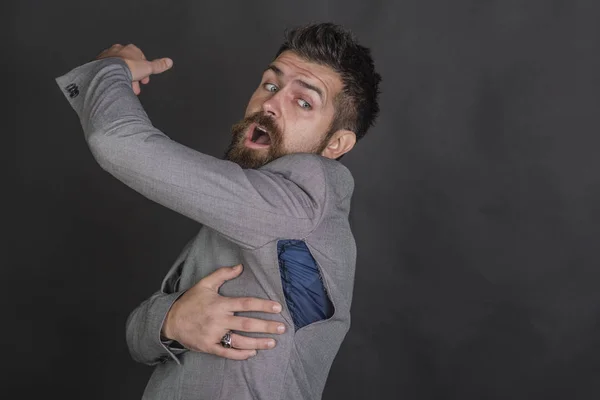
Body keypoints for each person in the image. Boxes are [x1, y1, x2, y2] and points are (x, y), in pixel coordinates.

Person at [55, 22, 381, 400]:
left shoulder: (309, 190)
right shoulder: (249, 218)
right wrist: (172, 319)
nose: (270, 104)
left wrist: (109, 71)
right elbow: (137, 340)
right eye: (271, 85)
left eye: (303, 101)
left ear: (336, 143)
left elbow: (116, 141)